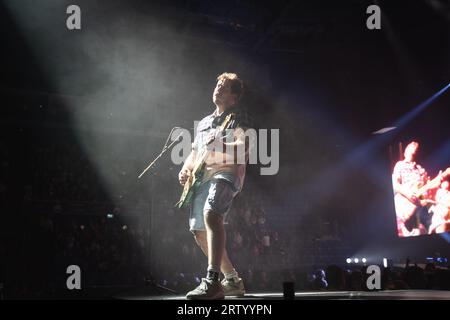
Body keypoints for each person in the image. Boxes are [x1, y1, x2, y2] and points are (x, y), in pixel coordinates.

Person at [178, 72, 251, 299]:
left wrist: (221, 143)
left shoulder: (240, 116)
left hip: (227, 173)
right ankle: (232, 280)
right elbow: (194, 152)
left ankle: (212, 281)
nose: (218, 87)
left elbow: (243, 145)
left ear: (234, 97)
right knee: (198, 231)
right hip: (203, 178)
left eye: (224, 86)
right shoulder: (205, 123)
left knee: (211, 214)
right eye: (217, 84)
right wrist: (186, 168)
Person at [392, 141, 429, 237]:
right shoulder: (400, 165)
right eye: (411, 147)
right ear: (405, 151)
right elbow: (395, 183)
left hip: (415, 208)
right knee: (402, 231)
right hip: (402, 204)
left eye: (416, 148)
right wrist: (407, 194)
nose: (414, 148)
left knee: (417, 232)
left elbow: (423, 190)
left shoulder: (420, 169)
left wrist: (422, 198)